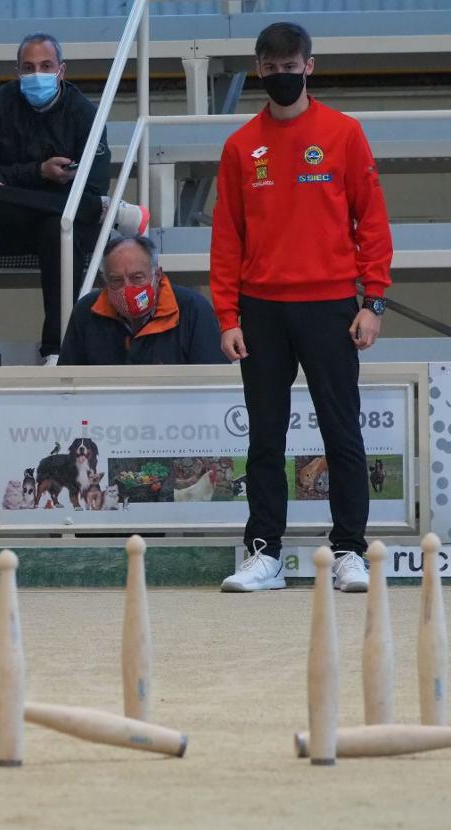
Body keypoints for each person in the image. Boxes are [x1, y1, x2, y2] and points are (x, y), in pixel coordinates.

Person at [211, 22, 392, 594]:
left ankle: (348, 552)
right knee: (265, 436)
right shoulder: (241, 146)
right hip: (261, 310)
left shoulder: (344, 134)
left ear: (309, 66)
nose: (283, 75)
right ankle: (264, 553)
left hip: (331, 307)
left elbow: (373, 223)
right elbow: (227, 239)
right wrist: (227, 316)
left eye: (293, 66)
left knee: (342, 433)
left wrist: (374, 301)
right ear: (258, 71)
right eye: (272, 67)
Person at [0, 32, 149, 365]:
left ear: (62, 70)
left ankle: (55, 349)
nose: (37, 74)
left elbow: (94, 183)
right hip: (13, 224)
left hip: (66, 225)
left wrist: (12, 180)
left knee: (59, 226)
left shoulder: (85, 114)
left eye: (46, 65)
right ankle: (108, 212)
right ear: (17, 71)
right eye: (28, 67)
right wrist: (39, 172)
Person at [58, 235, 226, 366]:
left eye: (137, 278)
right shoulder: (86, 311)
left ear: (158, 275)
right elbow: (66, 382)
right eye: (117, 280)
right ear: (105, 282)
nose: (127, 288)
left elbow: (214, 379)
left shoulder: (193, 308)